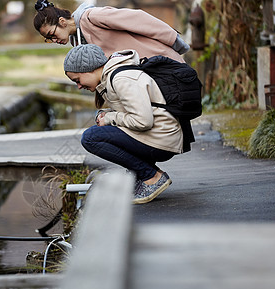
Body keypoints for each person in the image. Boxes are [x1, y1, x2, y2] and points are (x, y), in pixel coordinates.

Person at [63, 44, 188, 204]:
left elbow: (143, 121)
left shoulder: (122, 78)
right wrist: (108, 115)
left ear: (89, 69)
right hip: (158, 135)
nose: (79, 86)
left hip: (162, 138)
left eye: (77, 80)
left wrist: (109, 118)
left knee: (91, 137)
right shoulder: (113, 77)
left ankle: (151, 176)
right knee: (100, 130)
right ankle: (140, 175)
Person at [34, 0, 190, 63]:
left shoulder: (92, 17)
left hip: (162, 63)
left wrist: (173, 40)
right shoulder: (77, 40)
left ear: (62, 22)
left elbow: (139, 19)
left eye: (51, 35)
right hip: (144, 77)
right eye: (48, 39)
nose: (53, 40)